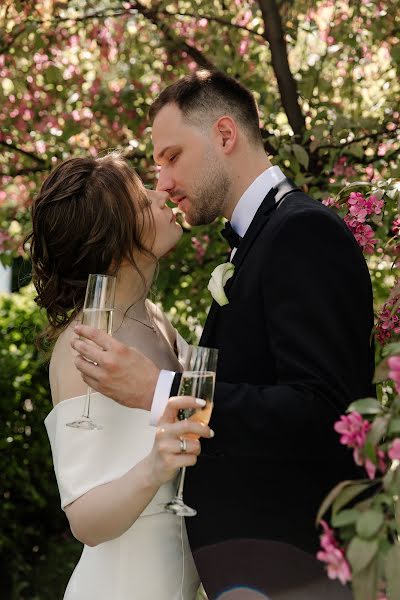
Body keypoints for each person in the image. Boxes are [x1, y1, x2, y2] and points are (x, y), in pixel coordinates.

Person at [73, 71, 375, 599]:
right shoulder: (258, 241)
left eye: (171, 156)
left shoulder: (301, 232)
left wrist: (161, 391)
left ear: (225, 135)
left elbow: (324, 410)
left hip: (295, 571)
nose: (162, 181)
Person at [28, 152, 215, 599]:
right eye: (143, 202)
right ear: (115, 243)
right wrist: (153, 467)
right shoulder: (86, 347)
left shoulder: (154, 319)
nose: (161, 195)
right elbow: (85, 521)